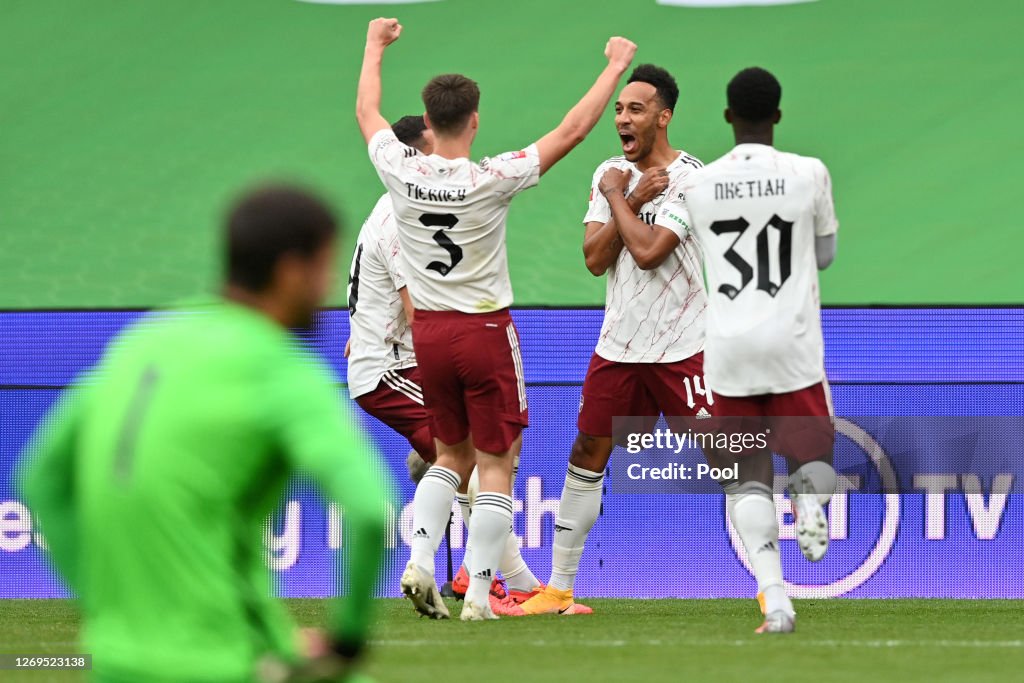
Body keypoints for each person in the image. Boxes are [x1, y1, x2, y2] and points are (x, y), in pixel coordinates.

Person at [20, 185, 391, 681]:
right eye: (324, 269)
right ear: (290, 271)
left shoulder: (141, 343)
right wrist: (346, 641)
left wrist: (103, 603)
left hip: (113, 661)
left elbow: (40, 479)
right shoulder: (279, 367)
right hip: (223, 662)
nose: (324, 291)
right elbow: (367, 510)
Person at [355, 16, 636, 620]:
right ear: (474, 120)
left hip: (426, 335)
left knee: (449, 460)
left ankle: (421, 561)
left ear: (426, 123)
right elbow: (572, 131)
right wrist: (613, 67)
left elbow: (368, 112)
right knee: (496, 462)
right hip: (483, 331)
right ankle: (481, 597)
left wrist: (375, 46)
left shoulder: (399, 170)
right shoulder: (493, 177)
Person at [652, 67, 839, 634]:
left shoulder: (697, 184)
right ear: (777, 116)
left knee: (747, 476)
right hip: (793, 344)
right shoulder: (809, 174)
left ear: (728, 117)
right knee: (812, 459)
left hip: (728, 349)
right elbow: (826, 256)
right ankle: (810, 504)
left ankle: (776, 600)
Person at [521, 64, 711, 616]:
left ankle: (770, 583)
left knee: (727, 459)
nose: (622, 120)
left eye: (635, 110)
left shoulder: (692, 176)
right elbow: (594, 257)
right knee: (587, 453)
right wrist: (619, 194)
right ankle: (558, 590)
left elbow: (651, 251)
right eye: (619, 111)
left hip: (684, 345)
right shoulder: (610, 172)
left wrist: (620, 200)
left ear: (664, 117)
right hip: (620, 346)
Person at [346, 115, 540, 606]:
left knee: (462, 460)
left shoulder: (399, 206)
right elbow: (417, 310)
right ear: (414, 154)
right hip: (393, 369)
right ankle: (500, 586)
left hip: (392, 361)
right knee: (478, 462)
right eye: (430, 152)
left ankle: (490, 580)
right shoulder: (399, 216)